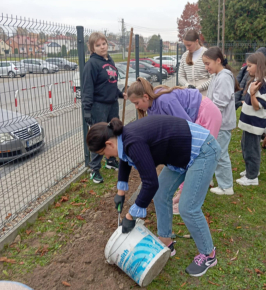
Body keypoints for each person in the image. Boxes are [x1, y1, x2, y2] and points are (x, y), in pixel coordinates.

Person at [86, 115, 221, 277]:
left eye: (103, 153)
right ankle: (166, 242)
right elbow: (125, 159)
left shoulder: (132, 141)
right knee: (161, 194)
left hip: (202, 150)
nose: (106, 157)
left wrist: (131, 215)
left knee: (188, 207)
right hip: (180, 153)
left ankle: (208, 255)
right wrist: (120, 192)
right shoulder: (123, 138)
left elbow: (150, 182)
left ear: (109, 143)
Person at [126, 77, 222, 213]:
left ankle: (190, 203)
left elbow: (186, 126)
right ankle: (181, 194)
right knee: (183, 158)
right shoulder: (152, 107)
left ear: (145, 97)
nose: (136, 107)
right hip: (196, 118)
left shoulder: (165, 100)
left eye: (136, 103)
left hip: (207, 114)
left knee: (195, 157)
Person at [82, 32, 123, 184]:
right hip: (98, 106)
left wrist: (120, 93)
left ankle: (110, 160)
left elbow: (111, 83)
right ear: (92, 48)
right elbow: (87, 88)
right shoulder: (91, 64)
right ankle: (94, 169)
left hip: (112, 104)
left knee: (113, 131)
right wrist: (87, 110)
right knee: (100, 136)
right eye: (97, 45)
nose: (102, 47)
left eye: (103, 43)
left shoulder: (110, 61)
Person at [202, 47, 240, 195]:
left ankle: (226, 186)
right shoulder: (218, 75)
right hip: (216, 122)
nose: (206, 67)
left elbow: (220, 103)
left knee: (220, 153)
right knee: (213, 152)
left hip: (221, 123)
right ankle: (210, 179)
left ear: (218, 60)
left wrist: (206, 109)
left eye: (207, 63)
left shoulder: (224, 77)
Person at [236, 52, 266, 186]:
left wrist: (251, 94)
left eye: (250, 65)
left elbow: (259, 106)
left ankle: (252, 177)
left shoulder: (261, 84)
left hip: (254, 123)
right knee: (246, 146)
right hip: (249, 122)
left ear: (259, 66)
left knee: (252, 149)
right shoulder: (256, 80)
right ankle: (250, 170)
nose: (247, 68)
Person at [178, 29, 211, 96]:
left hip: (205, 94)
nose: (187, 48)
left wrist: (199, 88)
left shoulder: (207, 54)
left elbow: (213, 78)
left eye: (189, 45)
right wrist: (188, 85)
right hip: (190, 94)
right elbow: (180, 77)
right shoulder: (184, 56)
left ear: (196, 41)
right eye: (185, 45)